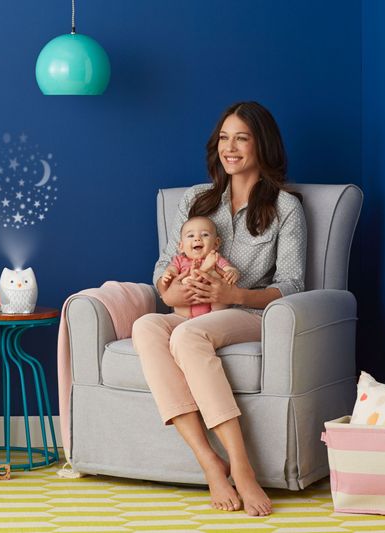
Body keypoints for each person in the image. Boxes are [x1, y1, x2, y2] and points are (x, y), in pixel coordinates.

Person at [131, 101, 307, 517]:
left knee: (188, 336)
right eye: (224, 138)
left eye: (241, 138)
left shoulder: (285, 207)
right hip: (189, 309)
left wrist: (235, 295)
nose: (230, 148)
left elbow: (293, 285)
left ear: (262, 145)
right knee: (146, 327)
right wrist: (174, 294)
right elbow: (163, 267)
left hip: (248, 314)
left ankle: (242, 467)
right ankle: (210, 462)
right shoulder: (196, 199)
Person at [160, 215, 240, 318]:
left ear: (216, 244)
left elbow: (228, 268)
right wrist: (168, 274)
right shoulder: (179, 260)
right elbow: (171, 270)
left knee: (217, 279)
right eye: (191, 236)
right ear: (181, 246)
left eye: (205, 235)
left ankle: (200, 273)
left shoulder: (214, 258)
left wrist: (233, 272)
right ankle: (201, 272)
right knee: (182, 282)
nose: (197, 239)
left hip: (212, 314)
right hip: (182, 315)